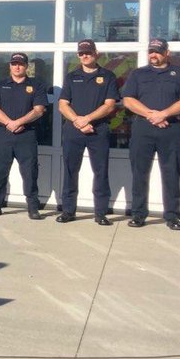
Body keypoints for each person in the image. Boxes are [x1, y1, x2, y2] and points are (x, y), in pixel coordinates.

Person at [122, 38, 180, 231]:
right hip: (143, 128)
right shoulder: (138, 74)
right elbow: (128, 100)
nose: (153, 55)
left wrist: (163, 114)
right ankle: (138, 214)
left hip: (170, 129)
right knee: (139, 173)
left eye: (158, 51)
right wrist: (151, 115)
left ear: (167, 53)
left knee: (171, 173)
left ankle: (172, 216)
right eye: (151, 51)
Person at [57, 40, 119, 225]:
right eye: (81, 53)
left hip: (98, 131)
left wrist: (88, 119)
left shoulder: (108, 76)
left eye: (88, 52)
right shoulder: (71, 76)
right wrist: (78, 121)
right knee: (70, 171)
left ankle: (100, 213)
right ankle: (68, 211)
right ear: (78, 55)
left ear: (96, 53)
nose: (85, 56)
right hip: (73, 131)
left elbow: (109, 106)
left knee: (100, 172)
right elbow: (62, 105)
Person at [0, 52, 47, 219]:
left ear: (26, 66)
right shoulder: (0, 84)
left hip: (26, 136)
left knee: (30, 172)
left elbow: (39, 110)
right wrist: (9, 123)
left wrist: (19, 122)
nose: (17, 66)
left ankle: (33, 208)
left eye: (20, 64)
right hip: (3, 135)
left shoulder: (36, 85)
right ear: (10, 66)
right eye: (14, 64)